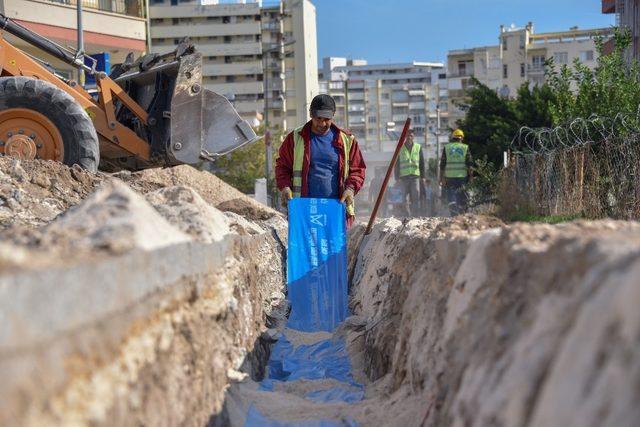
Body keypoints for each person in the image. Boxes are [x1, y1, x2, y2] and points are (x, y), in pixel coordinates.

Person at [275, 94, 366, 228]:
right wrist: (285, 187)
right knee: (306, 249)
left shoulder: (347, 140)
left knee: (335, 249)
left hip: (337, 210)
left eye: (326, 119)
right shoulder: (295, 138)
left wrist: (351, 189)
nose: (322, 124)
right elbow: (282, 167)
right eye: (318, 119)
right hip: (304, 210)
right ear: (311, 114)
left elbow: (358, 170)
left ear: (333, 115)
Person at [439, 128, 473, 215]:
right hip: (462, 177)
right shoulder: (465, 147)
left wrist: (441, 178)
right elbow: (469, 164)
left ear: (453, 137)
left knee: (451, 196)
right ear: (461, 138)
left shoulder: (447, 148)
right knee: (463, 196)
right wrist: (471, 176)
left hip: (450, 177)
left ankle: (454, 215)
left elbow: (442, 164)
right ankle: (463, 214)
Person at [394, 128, 425, 216]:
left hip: (415, 176)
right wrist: (397, 178)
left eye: (411, 135)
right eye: (407, 135)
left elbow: (422, 162)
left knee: (416, 197)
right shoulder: (400, 148)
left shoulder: (418, 147)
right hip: (404, 177)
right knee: (404, 198)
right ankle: (407, 215)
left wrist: (423, 177)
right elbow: (396, 164)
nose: (409, 137)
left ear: (413, 137)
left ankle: (415, 215)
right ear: (405, 137)